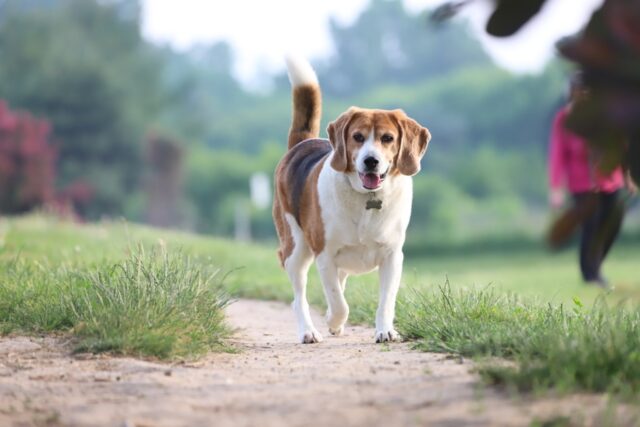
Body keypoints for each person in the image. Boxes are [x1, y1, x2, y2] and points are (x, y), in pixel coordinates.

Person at [548, 73, 632, 287]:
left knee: (611, 223)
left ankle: (595, 266)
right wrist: (556, 187)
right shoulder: (564, 119)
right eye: (579, 90)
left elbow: (621, 146)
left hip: (609, 179)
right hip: (581, 183)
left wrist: (629, 175)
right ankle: (590, 276)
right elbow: (558, 154)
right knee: (591, 225)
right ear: (571, 93)